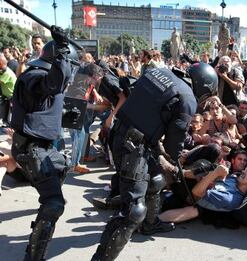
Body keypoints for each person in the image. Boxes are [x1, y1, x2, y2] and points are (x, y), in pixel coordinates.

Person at [91, 62, 218, 260]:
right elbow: (173, 143)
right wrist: (176, 158)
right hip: (133, 146)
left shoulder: (160, 72)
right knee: (133, 211)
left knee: (156, 179)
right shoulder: (187, 99)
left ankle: (151, 224)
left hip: (124, 134)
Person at [10, 26, 79, 260]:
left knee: (62, 165)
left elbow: (44, 105)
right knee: (54, 204)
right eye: (68, 66)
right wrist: (61, 49)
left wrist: (64, 116)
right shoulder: (34, 76)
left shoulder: (46, 76)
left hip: (43, 147)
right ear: (57, 61)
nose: (70, 73)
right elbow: (52, 85)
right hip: (31, 148)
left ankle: (22, 179)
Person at [0, 53, 16, 124]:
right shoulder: (4, 71)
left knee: (12, 115)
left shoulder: (7, 73)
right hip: (8, 96)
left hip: (12, 96)